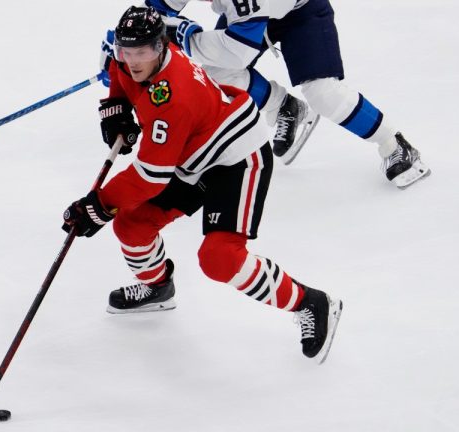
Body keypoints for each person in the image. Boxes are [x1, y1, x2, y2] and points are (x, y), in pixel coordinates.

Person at [64, 6, 342, 363]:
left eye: (142, 52)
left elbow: (150, 177)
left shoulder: (173, 96)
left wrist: (99, 205)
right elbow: (119, 74)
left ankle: (311, 302)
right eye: (125, 51)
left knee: (219, 258)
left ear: (161, 46)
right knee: (132, 225)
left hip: (237, 158)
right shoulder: (132, 57)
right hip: (191, 155)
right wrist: (116, 106)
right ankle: (158, 288)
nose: (132, 61)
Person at [146, 0, 431, 189]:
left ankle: (393, 143)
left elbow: (237, 50)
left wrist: (184, 34)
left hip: (302, 12)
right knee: (213, 76)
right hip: (254, 14)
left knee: (323, 93)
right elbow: (157, 11)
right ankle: (284, 107)